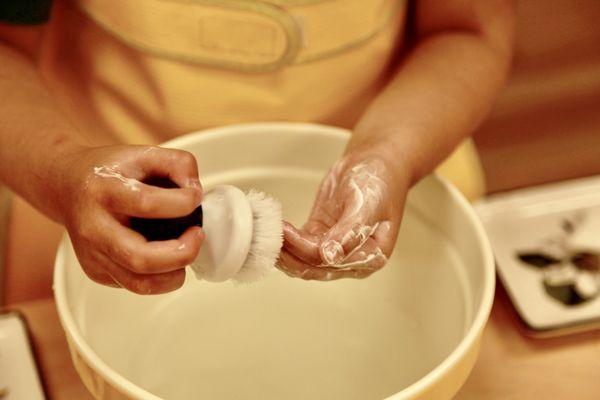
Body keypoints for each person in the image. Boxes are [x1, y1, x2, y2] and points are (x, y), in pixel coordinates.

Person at [0, 0, 515, 295]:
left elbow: (467, 28)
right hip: (97, 210)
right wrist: (62, 171)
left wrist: (388, 155)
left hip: (402, 162)